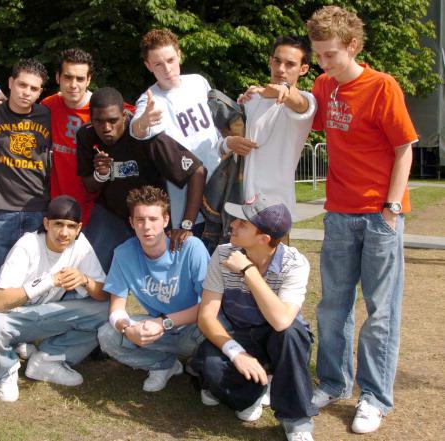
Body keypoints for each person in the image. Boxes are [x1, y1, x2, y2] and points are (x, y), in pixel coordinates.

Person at [306, 6, 417, 434]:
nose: (323, 63)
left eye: (330, 54)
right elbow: (305, 114)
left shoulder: (383, 86)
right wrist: (274, 93)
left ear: (352, 46)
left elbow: (404, 147)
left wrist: (391, 209)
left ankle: (374, 397)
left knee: (380, 312)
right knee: (333, 307)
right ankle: (335, 383)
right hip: (339, 214)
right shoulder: (323, 83)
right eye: (318, 55)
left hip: (378, 217)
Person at [190, 196, 317, 441]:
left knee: (291, 333)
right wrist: (237, 353)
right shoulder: (222, 253)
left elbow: (281, 321)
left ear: (264, 239)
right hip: (241, 334)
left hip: (276, 338)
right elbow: (206, 316)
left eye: (243, 224)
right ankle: (255, 392)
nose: (232, 226)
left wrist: (248, 271)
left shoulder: (295, 264)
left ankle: (296, 419)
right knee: (210, 363)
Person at [0, 196, 107, 402]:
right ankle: (4, 370)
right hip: (8, 318)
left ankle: (48, 359)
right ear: (46, 223)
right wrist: (49, 281)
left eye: (71, 226)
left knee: (106, 311)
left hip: (41, 316)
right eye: (58, 225)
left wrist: (84, 279)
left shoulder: (81, 246)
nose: (64, 233)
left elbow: (103, 293)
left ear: (79, 228)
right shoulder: (28, 244)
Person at [77, 87, 206, 272]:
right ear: (91, 118)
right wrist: (101, 174)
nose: (106, 128)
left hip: (148, 216)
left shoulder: (144, 134)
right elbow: (88, 185)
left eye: (113, 121)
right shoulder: (86, 135)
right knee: (89, 267)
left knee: (162, 275)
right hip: (111, 213)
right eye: (99, 121)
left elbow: (197, 171)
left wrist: (186, 225)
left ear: (124, 115)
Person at [97, 186, 210, 392]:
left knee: (217, 327)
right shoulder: (123, 253)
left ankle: (203, 369)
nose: (146, 227)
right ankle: (163, 365)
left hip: (192, 327)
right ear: (131, 222)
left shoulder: (192, 248)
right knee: (107, 335)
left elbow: (210, 306)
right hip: (158, 329)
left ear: (166, 220)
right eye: (139, 220)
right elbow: (116, 309)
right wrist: (127, 329)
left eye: (153, 219)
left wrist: (164, 322)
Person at [130, 29, 225, 235]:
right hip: (188, 203)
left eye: (171, 60)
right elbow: (137, 130)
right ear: (148, 66)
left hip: (221, 188)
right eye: (158, 64)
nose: (167, 69)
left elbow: (218, 123)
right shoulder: (149, 99)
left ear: (179, 55)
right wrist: (144, 121)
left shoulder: (198, 82)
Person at [0, 59, 52, 304]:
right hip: (0, 210)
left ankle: (22, 330)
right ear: (10, 83)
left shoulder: (46, 115)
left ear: (40, 92)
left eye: (34, 88)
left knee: (31, 277)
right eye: (22, 85)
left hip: (37, 208)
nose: (26, 92)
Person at [234, 36, 316, 217]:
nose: (280, 69)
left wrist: (285, 91)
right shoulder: (250, 99)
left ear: (303, 69)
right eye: (277, 61)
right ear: (270, 61)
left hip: (276, 207)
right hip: (239, 202)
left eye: (290, 64)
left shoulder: (306, 101)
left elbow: (300, 103)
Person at [40, 49, 96, 224]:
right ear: (58, 77)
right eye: (68, 77)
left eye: (80, 79)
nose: (73, 84)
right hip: (58, 206)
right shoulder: (48, 105)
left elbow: (137, 115)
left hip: (96, 207)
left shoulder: (102, 108)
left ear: (89, 80)